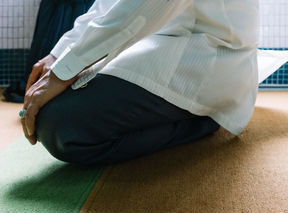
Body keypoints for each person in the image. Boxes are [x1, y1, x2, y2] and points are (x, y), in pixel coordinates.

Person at [19, 0, 260, 165]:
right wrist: (59, 55)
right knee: (56, 102)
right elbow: (110, 3)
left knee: (60, 125)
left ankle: (204, 119)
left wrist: (64, 71)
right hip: (157, 42)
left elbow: (146, 5)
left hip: (208, 53)